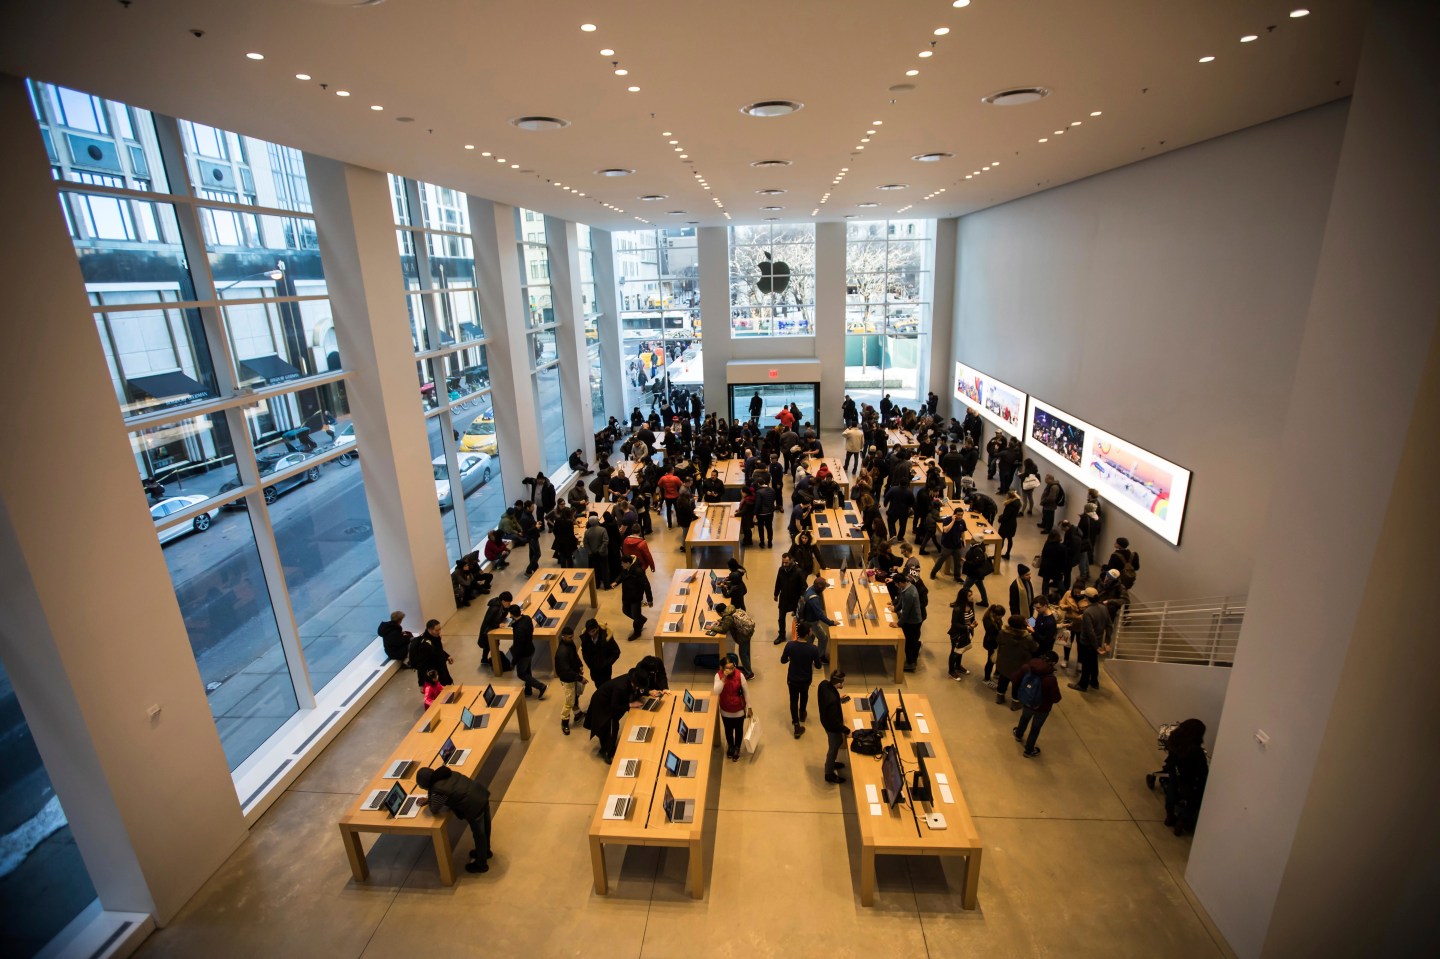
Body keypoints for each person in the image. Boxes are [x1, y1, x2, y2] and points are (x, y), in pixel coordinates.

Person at [415, 766, 493, 873]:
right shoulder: (447, 773)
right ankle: (486, 852)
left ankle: (481, 865)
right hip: (481, 795)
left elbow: (434, 809)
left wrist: (430, 795)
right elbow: (451, 790)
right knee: (486, 829)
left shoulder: (437, 789)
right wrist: (430, 798)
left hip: (474, 806)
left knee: (479, 835)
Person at [1010, 651, 1062, 757]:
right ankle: (1028, 750)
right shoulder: (1050, 679)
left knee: (1024, 718)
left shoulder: (1027, 668)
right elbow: (1056, 698)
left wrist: (1022, 691)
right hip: (1042, 708)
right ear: (1052, 663)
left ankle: (1018, 734)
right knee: (1035, 728)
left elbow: (1014, 678)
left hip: (1027, 702)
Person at [1162, 719, 1209, 835]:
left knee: (1172, 791)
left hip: (1175, 774)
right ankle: (1182, 822)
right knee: (1195, 800)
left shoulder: (1173, 741)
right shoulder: (1196, 752)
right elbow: (1203, 773)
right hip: (1189, 782)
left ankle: (1169, 816)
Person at [584, 671, 641, 763]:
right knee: (606, 727)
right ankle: (606, 751)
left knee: (614, 725)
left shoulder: (631, 679)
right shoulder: (621, 687)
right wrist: (630, 705)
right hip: (601, 705)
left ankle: (610, 747)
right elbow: (614, 706)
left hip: (608, 701)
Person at [781, 624, 823, 738]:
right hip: (806, 679)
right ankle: (802, 713)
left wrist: (791, 657)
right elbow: (819, 666)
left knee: (793, 700)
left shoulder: (790, 646)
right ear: (808, 633)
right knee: (804, 695)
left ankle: (796, 725)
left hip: (792, 679)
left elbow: (783, 660)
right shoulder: (813, 649)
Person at [1070, 588, 1112, 692]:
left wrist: (1096, 647)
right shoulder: (1103, 608)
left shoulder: (1088, 612)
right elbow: (1109, 626)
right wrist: (1107, 641)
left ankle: (1082, 685)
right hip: (1097, 641)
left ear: (1086, 598)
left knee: (1086, 664)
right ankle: (1094, 682)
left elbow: (1090, 632)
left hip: (1088, 643)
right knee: (1093, 662)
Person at [713, 653, 751, 762]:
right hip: (725, 710)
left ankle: (737, 748)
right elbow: (716, 691)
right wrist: (724, 677)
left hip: (739, 710)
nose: (731, 670)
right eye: (728, 668)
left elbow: (746, 692)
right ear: (722, 668)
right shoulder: (718, 676)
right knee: (728, 730)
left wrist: (749, 707)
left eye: (732, 667)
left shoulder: (740, 675)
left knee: (739, 730)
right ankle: (730, 746)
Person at [505, 604, 547, 699]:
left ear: (511, 615)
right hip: (531, 648)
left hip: (524, 654)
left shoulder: (519, 629)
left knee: (522, 674)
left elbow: (519, 647)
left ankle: (541, 686)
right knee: (527, 671)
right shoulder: (527, 618)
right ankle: (528, 690)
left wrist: (513, 662)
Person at [994, 614, 1037, 709]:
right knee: (1017, 685)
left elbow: (998, 641)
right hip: (1019, 667)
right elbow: (1034, 648)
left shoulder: (1002, 633)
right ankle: (1015, 703)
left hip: (1004, 663)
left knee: (1003, 680)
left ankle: (1000, 697)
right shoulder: (1027, 638)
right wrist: (1033, 633)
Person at [816, 669, 849, 784]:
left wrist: (838, 700)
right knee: (834, 746)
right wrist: (846, 730)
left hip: (824, 719)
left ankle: (831, 763)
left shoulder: (824, 684)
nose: (843, 684)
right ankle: (829, 773)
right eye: (842, 682)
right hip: (831, 726)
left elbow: (827, 701)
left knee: (838, 742)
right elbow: (835, 722)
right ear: (838, 683)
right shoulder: (833, 700)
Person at [708, 602, 757, 679]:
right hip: (748, 633)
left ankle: (750, 674)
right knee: (746, 652)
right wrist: (720, 621)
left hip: (743, 636)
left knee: (743, 654)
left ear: (720, 612)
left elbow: (723, 629)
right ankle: (748, 668)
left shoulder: (728, 617)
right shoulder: (731, 609)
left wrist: (711, 628)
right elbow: (726, 619)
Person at [773, 552, 809, 644]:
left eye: (786, 563)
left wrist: (801, 597)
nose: (784, 564)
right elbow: (778, 582)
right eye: (783, 562)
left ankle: (799, 637)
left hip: (795, 600)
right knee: (781, 618)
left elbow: (804, 586)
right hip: (784, 599)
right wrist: (776, 594)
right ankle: (781, 635)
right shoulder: (781, 570)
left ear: (791, 561)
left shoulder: (798, 572)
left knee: (798, 620)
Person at [555, 626, 585, 735]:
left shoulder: (569, 644)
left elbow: (575, 656)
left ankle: (577, 714)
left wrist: (580, 665)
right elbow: (566, 671)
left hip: (574, 675)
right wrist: (580, 678)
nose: (572, 639)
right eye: (569, 637)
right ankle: (564, 722)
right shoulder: (562, 653)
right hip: (568, 680)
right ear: (563, 637)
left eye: (572, 636)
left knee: (576, 696)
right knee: (569, 702)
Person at [408, 619, 453, 687]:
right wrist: (421, 684)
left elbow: (438, 650)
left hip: (442, 669)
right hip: (435, 675)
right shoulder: (425, 645)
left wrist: (447, 656)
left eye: (440, 629)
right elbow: (421, 665)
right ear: (429, 630)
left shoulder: (435, 637)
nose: (439, 632)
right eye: (436, 630)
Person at [476, 591, 514, 669]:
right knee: (491, 644)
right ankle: (493, 662)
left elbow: (501, 615)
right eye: (508, 602)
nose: (509, 604)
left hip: (492, 628)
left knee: (489, 645)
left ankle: (484, 659)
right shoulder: (494, 608)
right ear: (503, 601)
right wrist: (498, 625)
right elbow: (488, 621)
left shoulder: (500, 606)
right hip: (488, 630)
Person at [578, 618, 620, 686]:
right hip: (594, 670)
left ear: (597, 628)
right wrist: (590, 665)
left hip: (605, 671)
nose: (591, 634)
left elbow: (616, 652)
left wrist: (607, 663)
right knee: (598, 686)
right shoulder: (586, 638)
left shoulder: (606, 638)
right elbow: (584, 653)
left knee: (606, 687)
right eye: (589, 632)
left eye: (593, 631)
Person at [619, 553, 652, 640]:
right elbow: (621, 576)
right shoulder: (625, 569)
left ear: (628, 563)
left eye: (623, 563)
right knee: (625, 611)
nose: (621, 565)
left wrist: (649, 599)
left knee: (635, 615)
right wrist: (616, 581)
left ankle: (637, 632)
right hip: (626, 596)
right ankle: (642, 619)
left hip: (635, 598)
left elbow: (646, 585)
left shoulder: (638, 571)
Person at [896, 573, 923, 672]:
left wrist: (898, 624)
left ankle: (911, 663)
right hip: (911, 620)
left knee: (909, 643)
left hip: (913, 621)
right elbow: (901, 602)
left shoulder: (909, 593)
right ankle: (916, 648)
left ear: (900, 583)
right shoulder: (907, 587)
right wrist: (895, 608)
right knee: (911, 641)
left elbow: (906, 612)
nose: (896, 586)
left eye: (896, 584)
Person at [930, 510, 966, 580]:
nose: (960, 516)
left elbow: (963, 531)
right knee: (941, 560)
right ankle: (933, 572)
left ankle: (957, 576)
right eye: (958, 515)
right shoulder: (947, 520)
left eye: (961, 515)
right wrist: (953, 521)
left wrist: (963, 540)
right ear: (954, 514)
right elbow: (945, 530)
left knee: (957, 562)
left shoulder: (962, 522)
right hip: (947, 545)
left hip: (957, 545)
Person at [948, 591, 976, 679]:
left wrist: (973, 624)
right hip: (957, 634)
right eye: (969, 596)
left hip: (966, 633)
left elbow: (971, 618)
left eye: (971, 595)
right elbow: (955, 623)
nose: (972, 597)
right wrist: (967, 627)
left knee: (962, 650)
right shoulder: (957, 609)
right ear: (964, 597)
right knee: (954, 652)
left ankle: (958, 666)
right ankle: (951, 671)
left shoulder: (971, 605)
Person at [960, 541, 993, 606]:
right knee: (980, 586)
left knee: (965, 588)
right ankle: (985, 601)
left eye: (973, 539)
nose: (971, 539)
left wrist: (966, 562)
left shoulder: (977, 550)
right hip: (978, 573)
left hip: (974, 573)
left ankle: (961, 603)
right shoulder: (979, 547)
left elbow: (976, 562)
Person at [980, 603, 1005, 686]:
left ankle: (997, 673)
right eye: (1000, 616)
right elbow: (992, 633)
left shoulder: (996, 619)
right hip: (991, 643)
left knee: (998, 659)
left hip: (996, 643)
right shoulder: (988, 621)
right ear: (995, 614)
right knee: (990, 661)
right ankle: (986, 679)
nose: (1001, 618)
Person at [1039, 529, 1068, 595]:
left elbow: (1043, 554)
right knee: (1059, 581)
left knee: (1045, 581)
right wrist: (1063, 570)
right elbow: (1064, 560)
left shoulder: (1047, 545)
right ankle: (1064, 595)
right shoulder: (1062, 547)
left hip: (1046, 567)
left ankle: (1044, 596)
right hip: (1057, 568)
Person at [583, 516, 610, 588]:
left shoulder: (587, 531)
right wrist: (600, 550)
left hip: (593, 554)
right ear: (597, 521)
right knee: (605, 570)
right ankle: (606, 585)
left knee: (596, 570)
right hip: (603, 554)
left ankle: (597, 585)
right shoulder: (603, 530)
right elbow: (605, 541)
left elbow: (585, 543)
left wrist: (590, 552)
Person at [996, 491, 1021, 560]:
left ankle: (997, 555)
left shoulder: (1011, 505)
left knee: (1001, 539)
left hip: (1006, 525)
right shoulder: (1017, 504)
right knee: (1010, 539)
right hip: (1012, 524)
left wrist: (1000, 519)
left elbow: (1006, 516)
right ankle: (1007, 554)